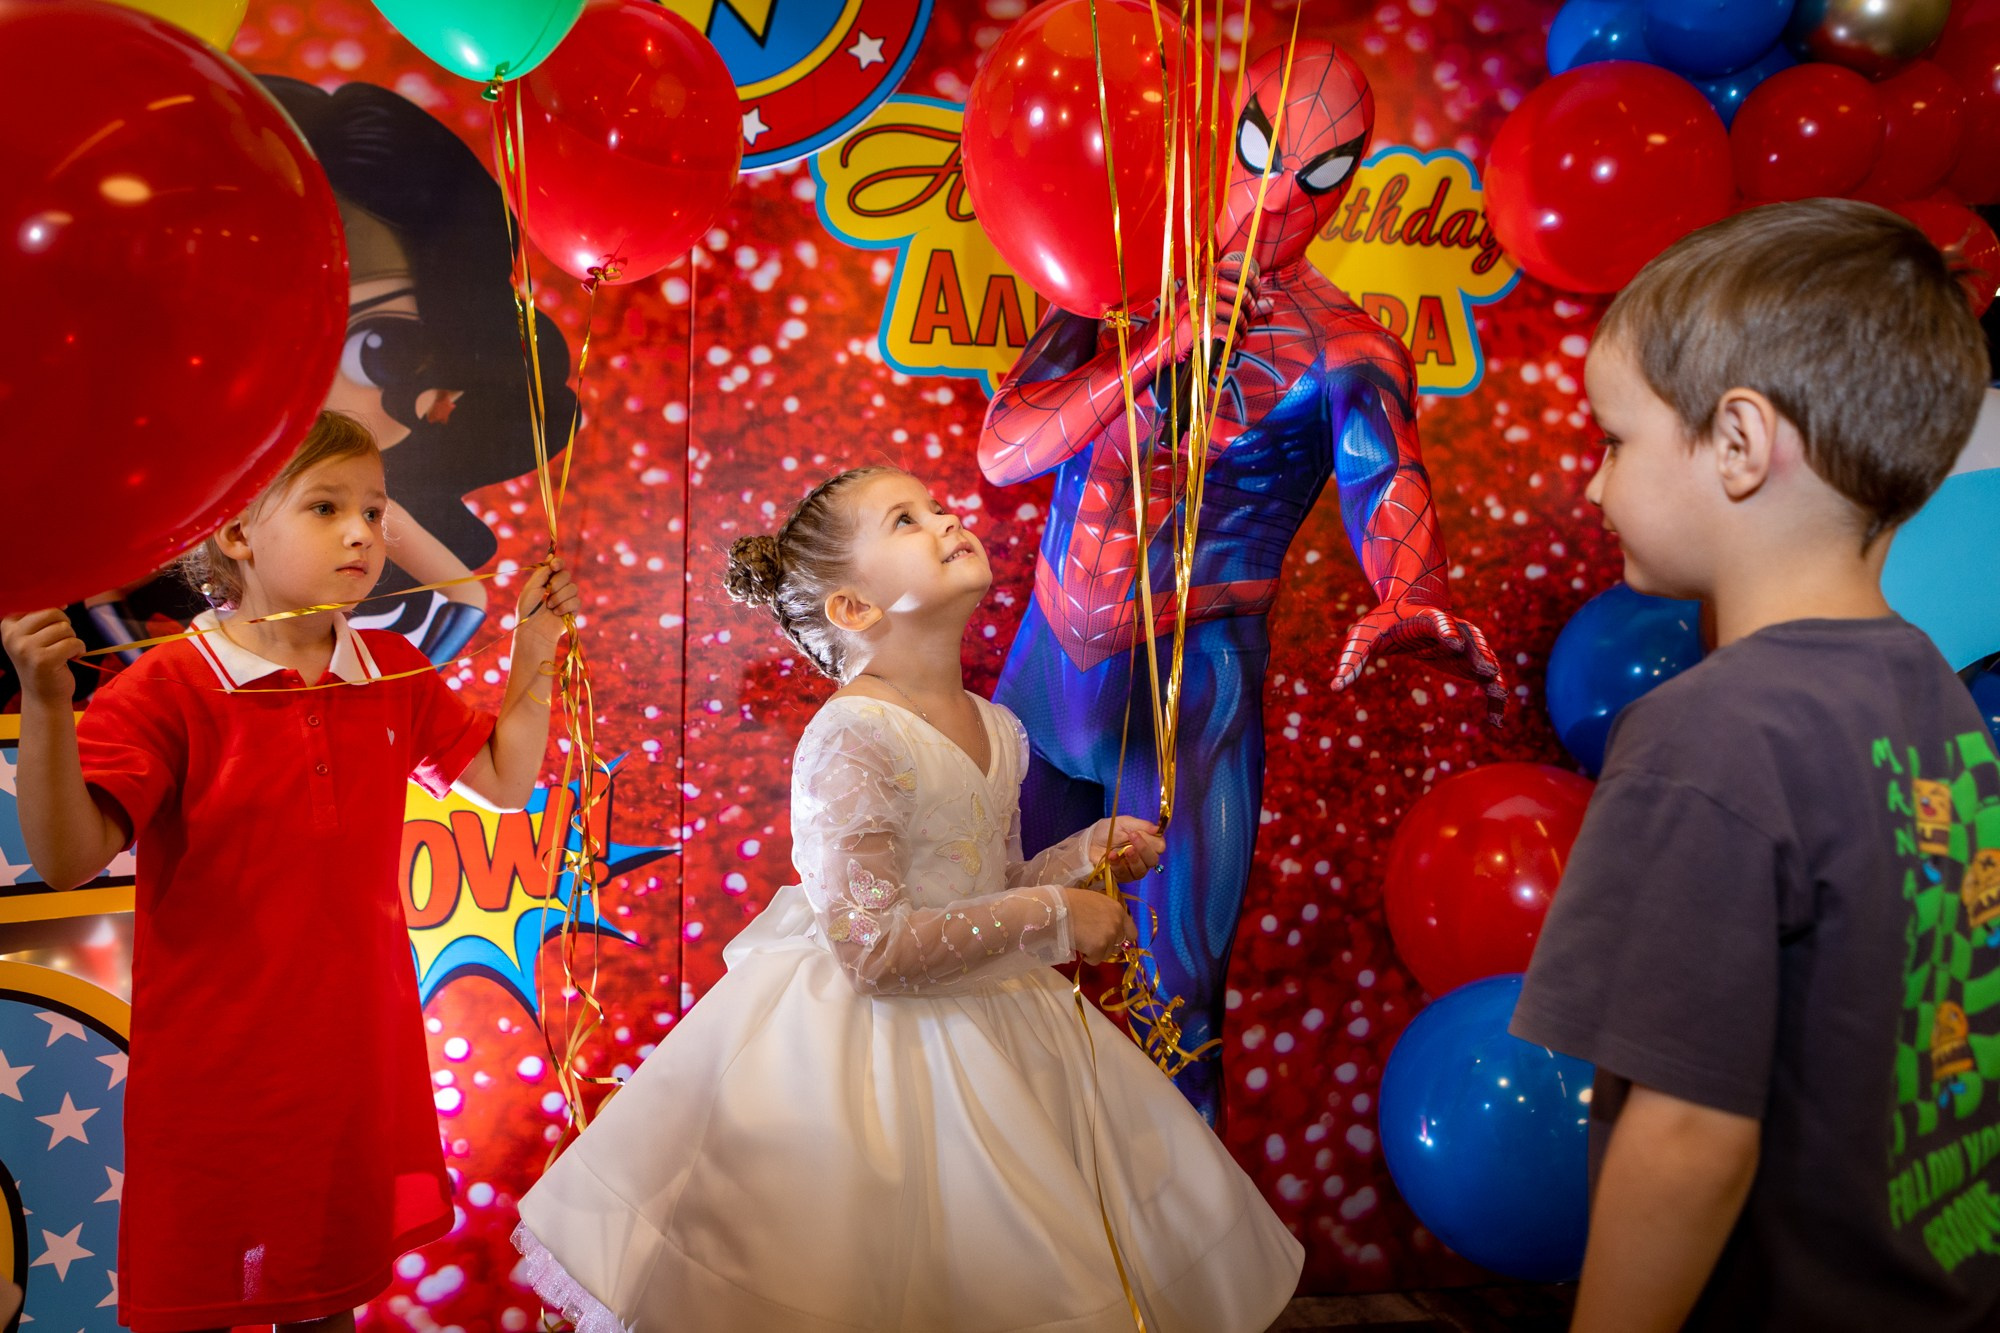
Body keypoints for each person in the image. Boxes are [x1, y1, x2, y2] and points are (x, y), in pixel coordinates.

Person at [512, 466, 1303, 1332]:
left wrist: (1079, 857)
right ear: (854, 608)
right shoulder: (851, 735)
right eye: (906, 519)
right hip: (874, 1047)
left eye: (937, 505)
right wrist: (1058, 918)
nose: (946, 517)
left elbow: (984, 893)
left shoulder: (998, 726)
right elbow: (873, 947)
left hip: (1000, 1019)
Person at [980, 39, 1503, 1121]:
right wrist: (1156, 345)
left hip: (1192, 690)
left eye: (1316, 171)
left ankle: (1173, 1238)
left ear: (1346, 181)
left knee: (1174, 1016)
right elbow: (1004, 448)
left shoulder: (1347, 350)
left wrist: (1413, 591)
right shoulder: (1115, 279)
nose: (1274, 196)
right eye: (1260, 149)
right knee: (976, 969)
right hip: (1042, 672)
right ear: (1221, 136)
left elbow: (1386, 479)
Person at [1512, 199, 2000, 1331]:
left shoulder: (1709, 732)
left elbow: (1689, 1132)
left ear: (1738, 443)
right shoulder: (1931, 690)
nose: (1594, 487)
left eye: (1614, 441)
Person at [0, 411, 580, 1332]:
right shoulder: (167, 686)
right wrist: (44, 703)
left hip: (351, 1066)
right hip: (216, 1079)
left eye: (375, 510)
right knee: (201, 1304)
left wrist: (534, 652)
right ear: (236, 532)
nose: (363, 533)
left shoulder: (390, 667)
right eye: (325, 507)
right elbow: (67, 857)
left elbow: (506, 781)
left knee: (324, 1302)